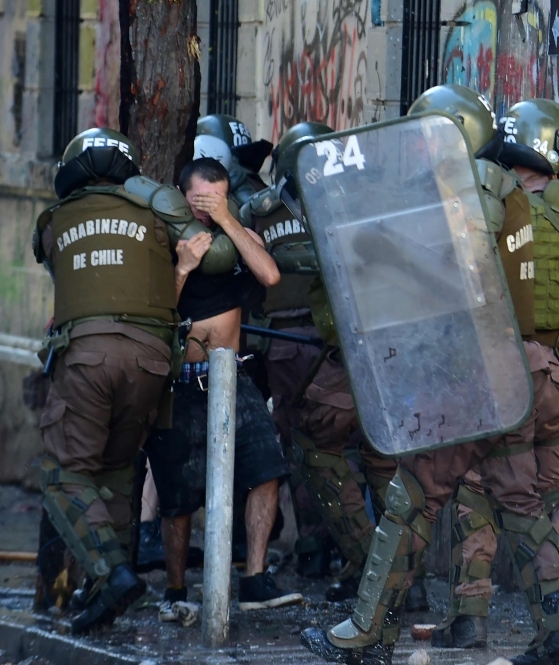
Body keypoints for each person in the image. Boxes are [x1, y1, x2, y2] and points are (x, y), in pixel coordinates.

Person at [299, 90, 559, 665]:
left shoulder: (479, 181)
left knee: (412, 498)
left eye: (424, 136)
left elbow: (461, 268)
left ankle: (365, 633)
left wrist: (385, 249)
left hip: (478, 371)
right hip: (513, 374)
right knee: (519, 499)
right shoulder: (512, 188)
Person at [431, 96, 559, 649]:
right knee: (558, 480)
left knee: (480, 485)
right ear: (547, 144)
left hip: (504, 365)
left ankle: (471, 616)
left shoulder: (487, 194)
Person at [32, 128, 203, 632]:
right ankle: (102, 595)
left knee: (65, 473)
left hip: (88, 358)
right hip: (153, 363)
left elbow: (53, 263)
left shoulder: (53, 220)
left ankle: (111, 575)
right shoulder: (156, 210)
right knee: (114, 474)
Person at [144, 158, 302, 623]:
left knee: (267, 469)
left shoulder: (237, 237)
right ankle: (175, 590)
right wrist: (183, 267)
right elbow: (156, 315)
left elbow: (270, 276)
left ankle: (253, 579)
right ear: (182, 196)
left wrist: (230, 221)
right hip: (183, 381)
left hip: (233, 376)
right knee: (177, 495)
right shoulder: (169, 243)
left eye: (218, 199)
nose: (209, 211)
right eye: (201, 201)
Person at [258, 122, 404, 602]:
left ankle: (362, 566)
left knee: (315, 449)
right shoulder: (360, 201)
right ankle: (396, 575)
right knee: (377, 459)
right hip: (364, 347)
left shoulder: (269, 210)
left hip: (323, 345)